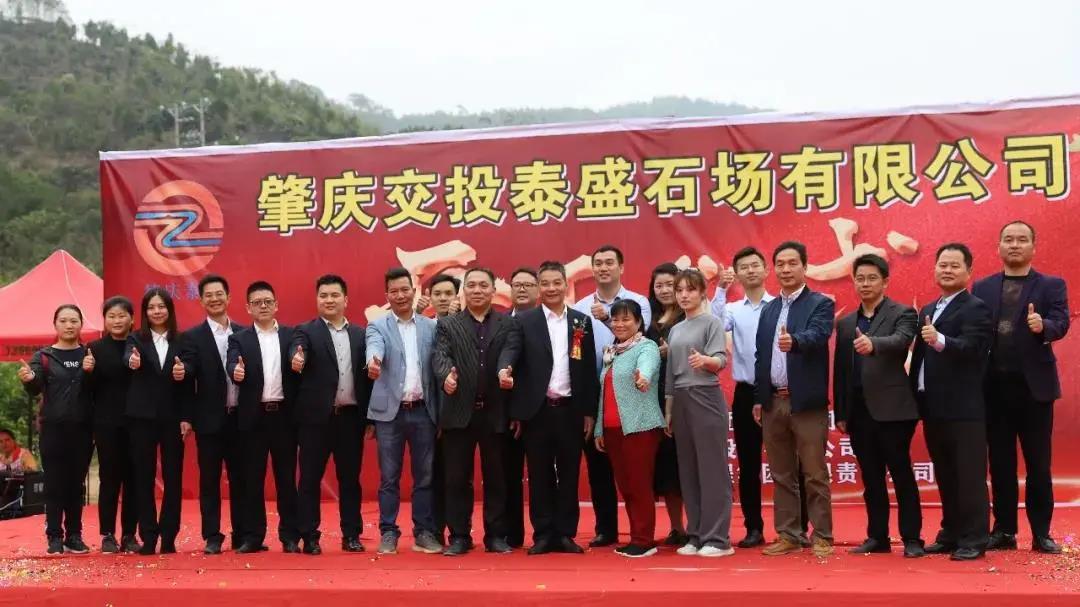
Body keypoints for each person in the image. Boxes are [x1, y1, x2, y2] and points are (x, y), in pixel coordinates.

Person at [973, 221, 1070, 554]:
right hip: (994, 388)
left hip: (1034, 389)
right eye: (1009, 240)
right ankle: (1004, 530)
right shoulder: (983, 287)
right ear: (999, 247)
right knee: (1000, 464)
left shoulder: (1051, 285)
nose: (1015, 245)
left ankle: (1041, 533)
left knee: (1038, 465)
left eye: (1022, 240)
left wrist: (1044, 325)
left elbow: (1062, 322)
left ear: (1033, 247)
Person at [833, 254, 924, 558]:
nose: (865, 284)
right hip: (859, 411)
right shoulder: (846, 323)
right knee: (871, 478)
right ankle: (877, 536)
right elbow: (842, 370)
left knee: (901, 474)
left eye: (872, 278)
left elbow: (901, 340)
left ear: (885, 281)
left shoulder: (903, 313)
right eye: (860, 278)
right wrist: (842, 412)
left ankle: (912, 538)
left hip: (894, 409)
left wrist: (874, 344)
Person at [505, 261, 597, 555]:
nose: (551, 288)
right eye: (545, 283)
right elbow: (516, 361)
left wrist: (588, 411)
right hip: (537, 411)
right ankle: (543, 534)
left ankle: (566, 533)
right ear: (538, 287)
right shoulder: (525, 321)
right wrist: (517, 409)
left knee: (569, 474)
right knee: (539, 474)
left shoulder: (581, 322)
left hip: (571, 410)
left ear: (565, 284)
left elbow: (587, 369)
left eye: (556, 282)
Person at [753, 241, 835, 558]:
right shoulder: (769, 309)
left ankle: (822, 535)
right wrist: (760, 397)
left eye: (792, 263)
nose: (786, 269)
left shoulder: (820, 303)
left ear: (805, 266)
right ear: (774, 269)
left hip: (806, 403)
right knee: (781, 473)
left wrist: (795, 341)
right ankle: (789, 533)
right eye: (780, 264)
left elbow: (819, 334)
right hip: (773, 402)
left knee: (814, 473)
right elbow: (761, 356)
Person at [913, 242, 993, 561]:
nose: (947, 270)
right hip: (933, 407)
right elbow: (920, 359)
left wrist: (940, 340)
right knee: (946, 474)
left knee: (969, 475)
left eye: (954, 265)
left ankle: (975, 539)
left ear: (969, 272)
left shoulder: (976, 307)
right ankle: (951, 532)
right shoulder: (928, 308)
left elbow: (975, 349)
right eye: (942, 264)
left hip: (964, 408)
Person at [432, 267, 519, 556]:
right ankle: (459, 535)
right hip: (458, 410)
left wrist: (505, 370)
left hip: (495, 411)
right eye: (472, 285)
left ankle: (496, 535)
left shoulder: (508, 324)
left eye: (483, 285)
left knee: (497, 477)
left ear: (493, 290)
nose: (478, 290)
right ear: (464, 291)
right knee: (456, 478)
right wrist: (446, 376)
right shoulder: (448, 324)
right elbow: (440, 355)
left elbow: (510, 352)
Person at [572, 245, 649, 547]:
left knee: (633, 468)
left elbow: (643, 340)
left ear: (621, 267)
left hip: (632, 393)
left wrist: (607, 319)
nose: (604, 268)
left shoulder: (638, 302)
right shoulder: (580, 308)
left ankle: (641, 532)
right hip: (596, 394)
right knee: (598, 466)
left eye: (609, 263)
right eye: (598, 263)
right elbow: (576, 351)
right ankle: (606, 528)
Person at [290, 274, 371, 555]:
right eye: (323, 295)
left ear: (345, 300)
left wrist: (369, 418)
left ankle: (352, 535)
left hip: (350, 418)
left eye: (335, 295)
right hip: (315, 421)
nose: (329, 300)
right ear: (317, 299)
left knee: (350, 480)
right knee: (309, 480)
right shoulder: (305, 331)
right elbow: (297, 350)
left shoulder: (361, 334)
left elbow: (367, 380)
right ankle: (309, 536)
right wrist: (296, 359)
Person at [365, 268, 443, 555]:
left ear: (413, 291)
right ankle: (388, 532)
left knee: (425, 477)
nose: (400, 295)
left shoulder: (431, 327)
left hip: (424, 411)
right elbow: (374, 347)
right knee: (389, 477)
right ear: (387, 295)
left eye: (404, 289)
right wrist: (373, 361)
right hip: (390, 414)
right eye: (394, 291)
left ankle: (423, 532)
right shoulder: (378, 326)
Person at [225, 281, 301, 553]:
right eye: (257, 302)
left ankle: (290, 536)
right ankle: (253, 536)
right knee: (252, 479)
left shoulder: (292, 335)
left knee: (286, 479)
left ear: (276, 304)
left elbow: (299, 355)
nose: (263, 306)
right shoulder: (239, 338)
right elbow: (232, 362)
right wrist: (235, 371)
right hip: (253, 418)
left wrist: (299, 360)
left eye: (268, 301)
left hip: (284, 417)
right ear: (248, 308)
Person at [665, 269, 733, 558]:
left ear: (703, 292)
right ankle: (695, 534)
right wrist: (669, 410)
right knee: (689, 471)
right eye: (679, 290)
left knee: (712, 470)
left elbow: (721, 359)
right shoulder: (675, 329)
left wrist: (706, 360)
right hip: (681, 399)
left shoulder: (712, 322)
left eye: (690, 289)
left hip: (706, 396)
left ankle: (718, 538)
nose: (684, 295)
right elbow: (670, 375)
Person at [177, 275, 248, 555]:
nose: (215, 299)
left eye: (219, 294)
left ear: (228, 297)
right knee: (209, 480)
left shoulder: (245, 332)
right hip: (208, 420)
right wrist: (182, 372)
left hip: (241, 418)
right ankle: (212, 536)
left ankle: (242, 534)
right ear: (202, 300)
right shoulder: (192, 337)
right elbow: (188, 376)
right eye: (209, 295)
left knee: (242, 479)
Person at [18, 304, 94, 555]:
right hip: (52, 429)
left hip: (83, 429)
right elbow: (35, 385)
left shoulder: (89, 354)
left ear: (81, 324)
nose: (69, 325)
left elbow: (98, 388)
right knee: (54, 483)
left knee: (76, 484)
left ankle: (74, 535)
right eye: (63, 320)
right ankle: (54, 536)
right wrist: (29, 379)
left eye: (74, 320)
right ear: (55, 324)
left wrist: (91, 371)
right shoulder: (43, 356)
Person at [595, 299, 663, 557]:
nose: (620, 324)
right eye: (615, 319)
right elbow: (604, 393)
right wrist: (600, 429)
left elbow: (647, 367)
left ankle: (644, 540)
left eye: (626, 319)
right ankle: (636, 536)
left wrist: (643, 378)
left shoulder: (646, 347)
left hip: (640, 426)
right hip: (613, 429)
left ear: (638, 322)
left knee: (639, 484)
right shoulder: (613, 352)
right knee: (625, 485)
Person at [124, 288, 187, 555]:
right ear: (145, 312)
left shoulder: (182, 340)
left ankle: (169, 536)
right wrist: (133, 361)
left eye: (161, 306)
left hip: (173, 418)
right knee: (143, 477)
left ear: (169, 310)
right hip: (142, 418)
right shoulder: (135, 338)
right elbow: (128, 358)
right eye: (151, 307)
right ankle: (148, 536)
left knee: (173, 478)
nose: (157, 311)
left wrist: (184, 372)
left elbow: (190, 379)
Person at [87, 296, 140, 553]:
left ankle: (130, 534)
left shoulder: (141, 343)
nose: (117, 321)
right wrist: (87, 372)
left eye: (122, 315)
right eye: (111, 316)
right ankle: (107, 534)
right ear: (105, 320)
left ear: (132, 318)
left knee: (134, 480)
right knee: (109, 478)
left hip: (138, 422)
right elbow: (88, 389)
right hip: (107, 423)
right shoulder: (95, 348)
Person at [645, 263, 687, 546]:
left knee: (688, 466)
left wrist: (674, 351)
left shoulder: (690, 316)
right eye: (658, 285)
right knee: (666, 468)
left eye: (670, 284)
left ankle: (699, 525)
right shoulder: (647, 318)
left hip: (684, 397)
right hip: (653, 401)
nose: (664, 290)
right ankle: (677, 528)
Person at [504, 266, 539, 549]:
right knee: (508, 476)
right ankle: (511, 534)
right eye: (517, 285)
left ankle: (544, 533)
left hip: (541, 412)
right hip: (506, 414)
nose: (523, 289)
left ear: (538, 289)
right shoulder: (500, 323)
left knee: (541, 476)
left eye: (528, 284)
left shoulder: (548, 323)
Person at [425, 272, 460, 545]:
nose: (443, 298)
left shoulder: (466, 326)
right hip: (430, 413)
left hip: (459, 413)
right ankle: (435, 529)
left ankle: (461, 531)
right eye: (437, 294)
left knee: (458, 477)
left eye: (448, 293)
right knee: (434, 475)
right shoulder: (424, 328)